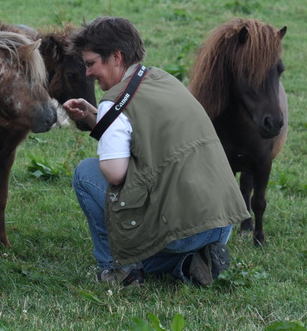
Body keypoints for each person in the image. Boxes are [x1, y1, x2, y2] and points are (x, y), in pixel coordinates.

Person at [63, 17, 250, 286]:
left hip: (184, 231)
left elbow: (115, 174)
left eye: (91, 63)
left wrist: (104, 115)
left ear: (116, 57)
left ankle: (120, 270)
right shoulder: (164, 80)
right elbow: (144, 136)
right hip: (221, 222)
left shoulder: (113, 103)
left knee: (86, 173)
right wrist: (95, 116)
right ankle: (190, 261)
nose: (88, 73)